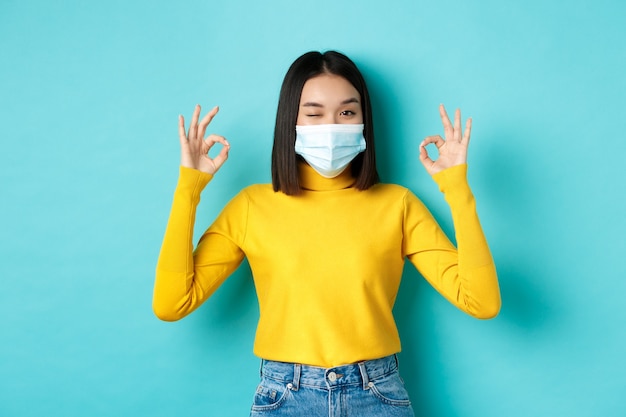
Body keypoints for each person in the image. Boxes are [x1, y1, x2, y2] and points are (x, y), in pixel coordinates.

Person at [153, 50, 501, 417]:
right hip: (285, 397)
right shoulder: (251, 206)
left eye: (347, 112)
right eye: (314, 113)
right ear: (292, 121)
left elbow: (482, 302)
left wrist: (457, 191)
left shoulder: (398, 205)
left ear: (364, 121)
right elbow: (172, 303)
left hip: (377, 394)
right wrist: (188, 189)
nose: (331, 126)